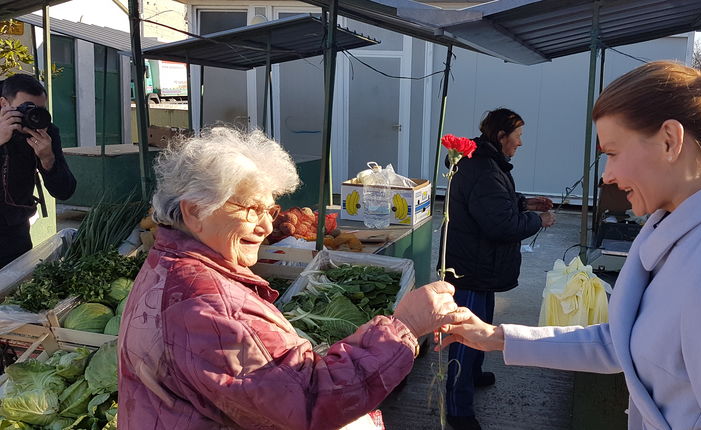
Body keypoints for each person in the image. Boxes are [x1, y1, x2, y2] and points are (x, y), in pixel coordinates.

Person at [440, 62, 701, 429]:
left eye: (613, 152)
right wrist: (496, 338)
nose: (607, 174)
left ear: (670, 140)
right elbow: (621, 341)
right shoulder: (674, 220)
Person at [118, 127, 467, 429]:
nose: (267, 225)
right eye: (250, 209)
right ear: (195, 211)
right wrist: (404, 326)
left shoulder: (166, 263)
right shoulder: (209, 307)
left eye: (269, 210)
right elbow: (309, 400)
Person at [441, 108, 555, 430]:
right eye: (517, 136)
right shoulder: (484, 168)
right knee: (465, 335)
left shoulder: (487, 162)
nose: (520, 143)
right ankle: (458, 409)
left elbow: (496, 202)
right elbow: (500, 224)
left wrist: (526, 203)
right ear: (501, 136)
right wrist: (538, 220)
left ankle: (474, 374)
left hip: (481, 266)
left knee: (482, 325)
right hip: (471, 269)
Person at [0, 74, 76, 267]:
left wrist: (47, 159)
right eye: (25, 108)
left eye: (38, 110)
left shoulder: (46, 131)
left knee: (14, 292)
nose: (31, 115)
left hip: (15, 233)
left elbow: (65, 191)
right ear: (4, 104)